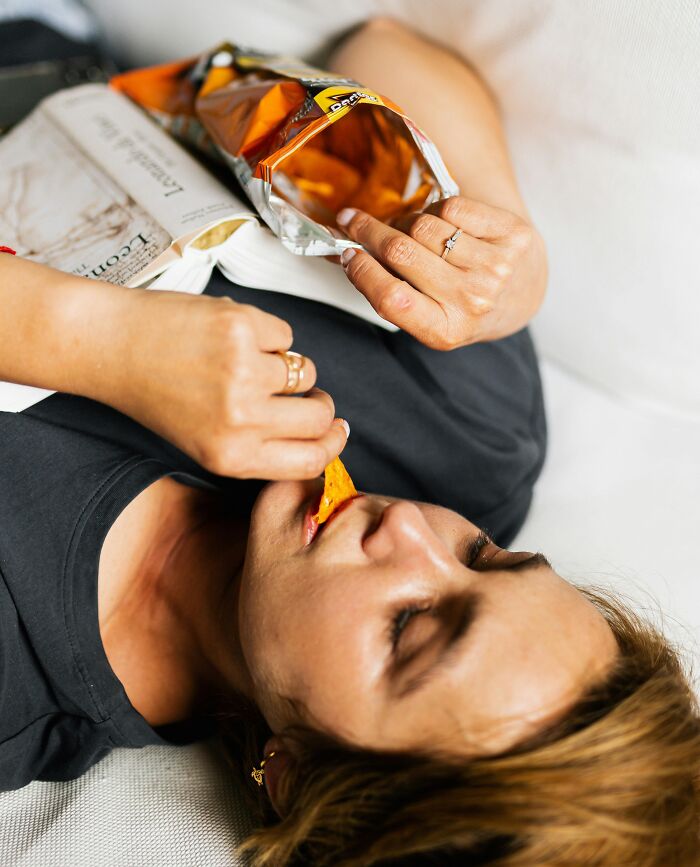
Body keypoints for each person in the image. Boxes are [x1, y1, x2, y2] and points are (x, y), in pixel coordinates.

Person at [0, 14, 698, 867]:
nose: (408, 527)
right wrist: (495, 236)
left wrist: (94, 341)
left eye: (408, 627)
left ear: (291, 777)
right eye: (484, 556)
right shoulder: (466, 435)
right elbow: (388, 46)